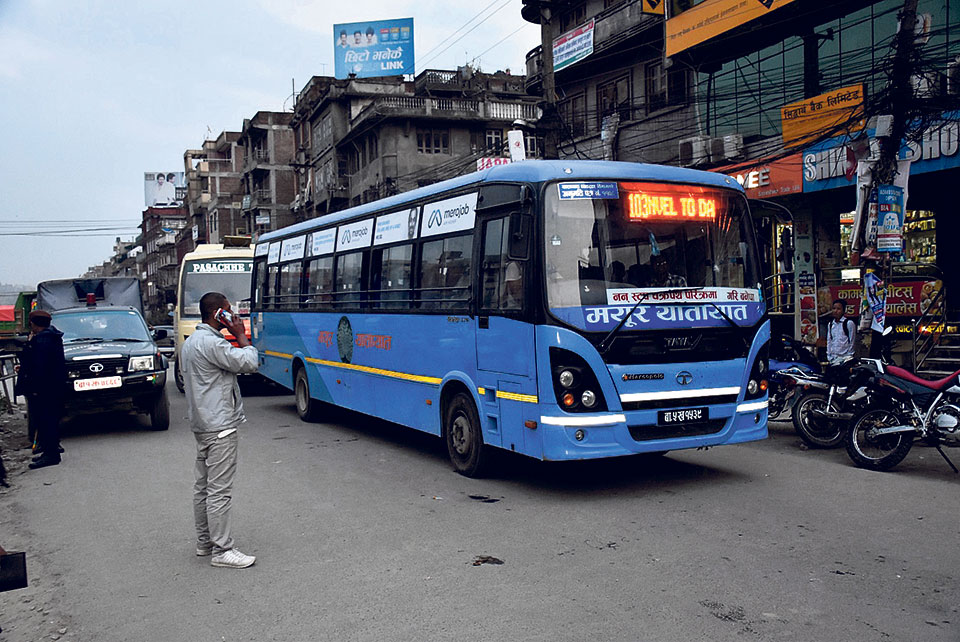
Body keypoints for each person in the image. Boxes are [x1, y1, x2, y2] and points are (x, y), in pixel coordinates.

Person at [180, 292, 259, 569]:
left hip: (201, 424)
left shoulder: (190, 344)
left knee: (202, 488)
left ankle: (205, 543)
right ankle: (223, 550)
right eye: (228, 310)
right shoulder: (212, 344)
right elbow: (249, 362)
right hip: (220, 426)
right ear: (218, 314)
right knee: (219, 491)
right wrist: (241, 334)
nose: (233, 314)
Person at [15, 310, 66, 470]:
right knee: (50, 419)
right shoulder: (51, 337)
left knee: (45, 420)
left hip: (45, 388)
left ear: (34, 323)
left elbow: (39, 366)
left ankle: (51, 454)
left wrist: (34, 387)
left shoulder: (43, 340)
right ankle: (50, 450)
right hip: (53, 387)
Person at [826, 298, 856, 363]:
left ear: (843, 310)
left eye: (838, 309)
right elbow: (829, 341)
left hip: (845, 358)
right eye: (834, 308)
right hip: (833, 358)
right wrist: (829, 356)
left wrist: (849, 356)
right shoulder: (831, 324)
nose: (835, 311)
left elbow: (852, 341)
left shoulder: (849, 323)